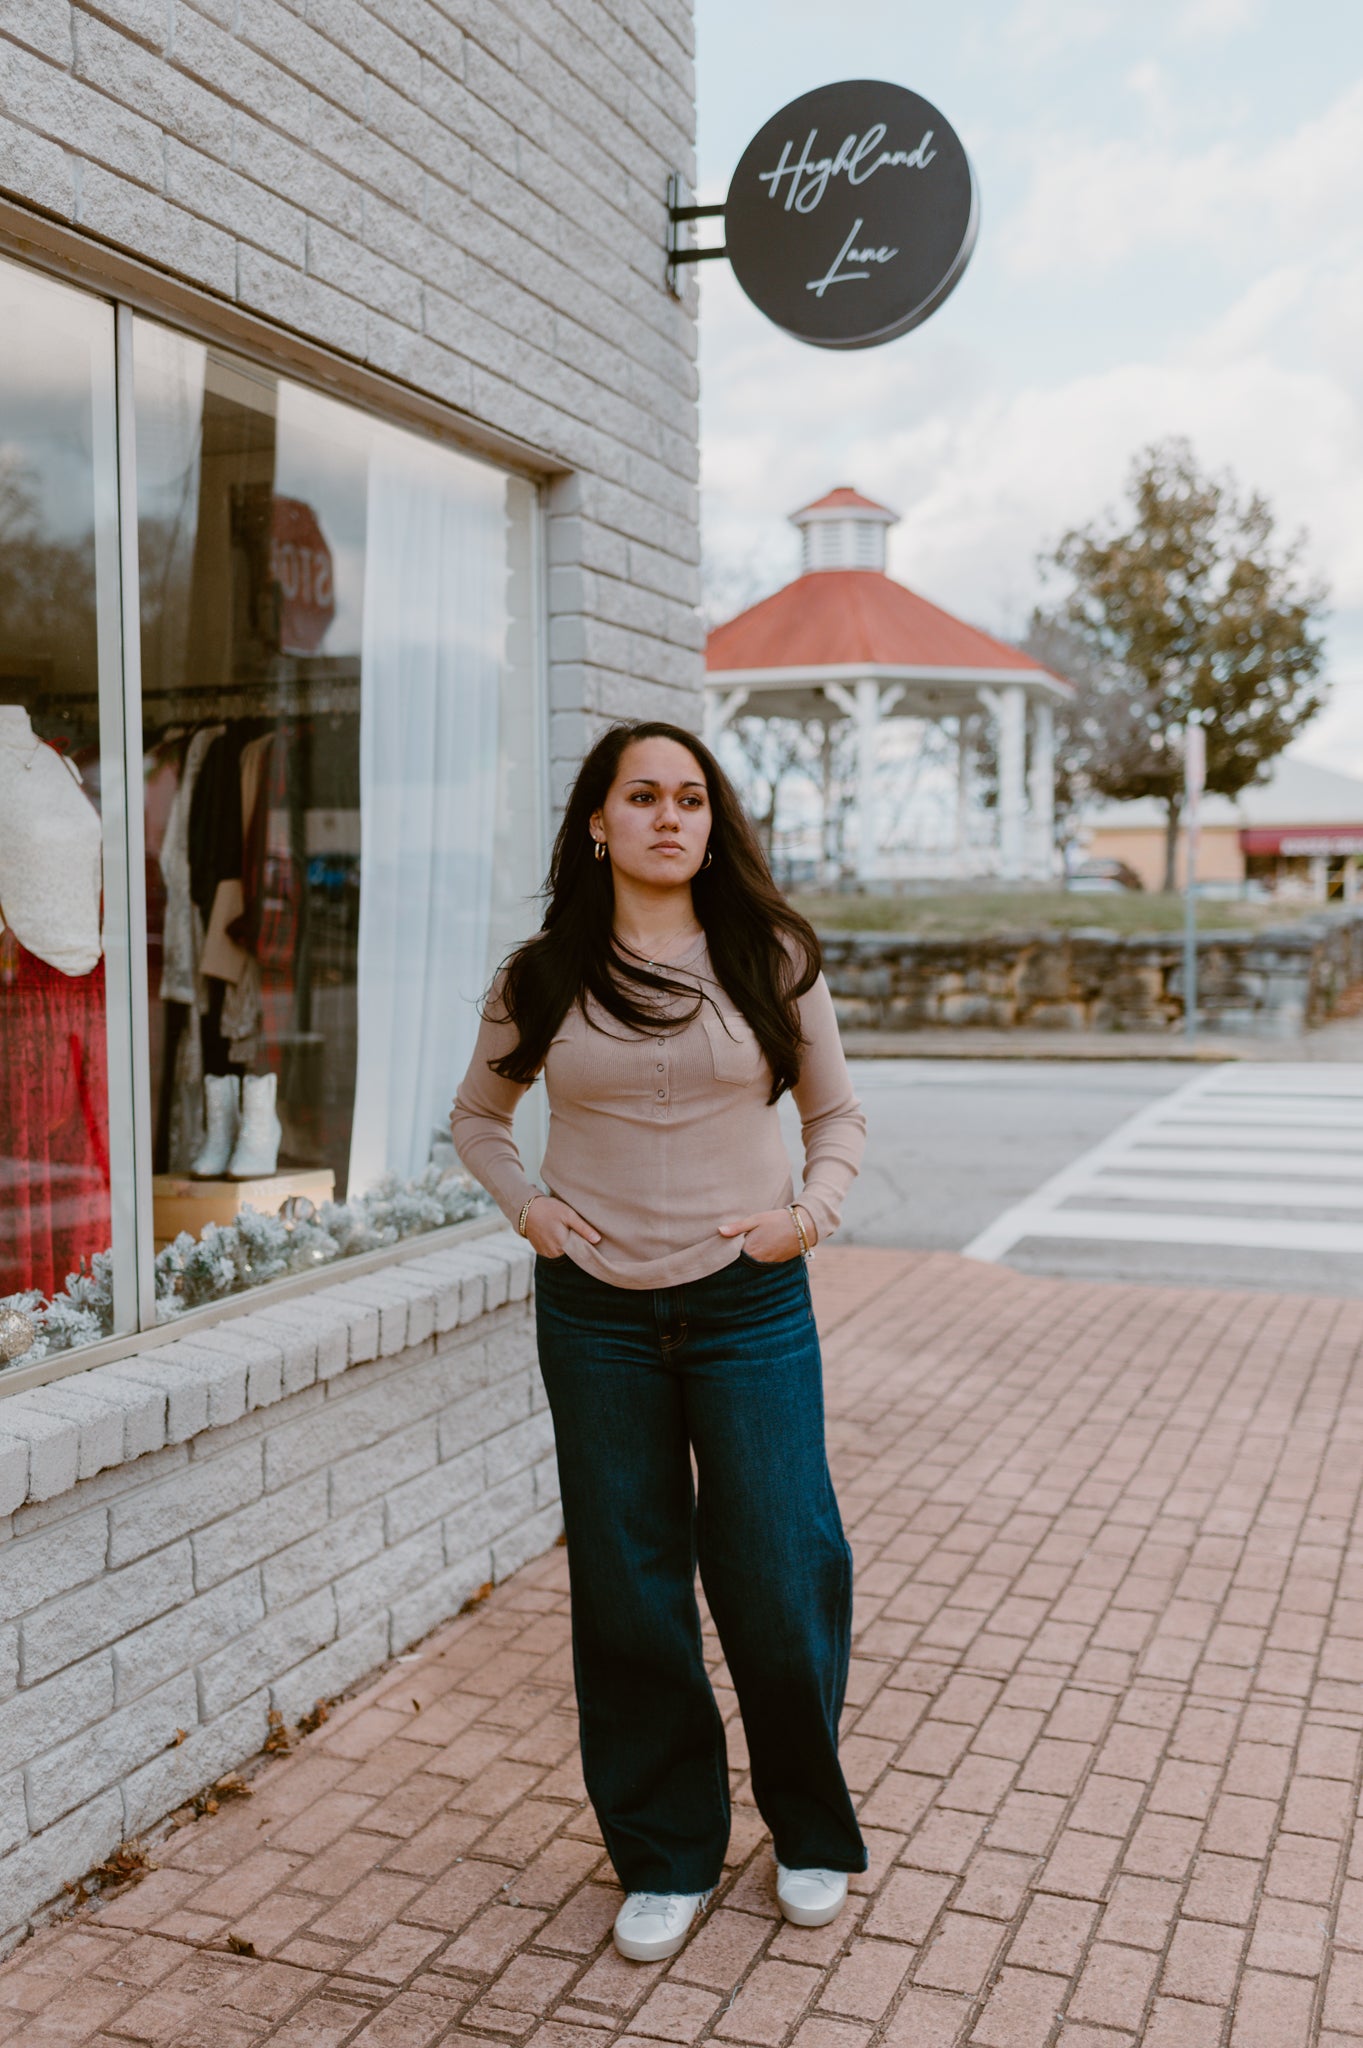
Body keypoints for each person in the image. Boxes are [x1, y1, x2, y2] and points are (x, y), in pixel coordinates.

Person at [451, 720, 868, 1962]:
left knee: (782, 1562)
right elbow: (479, 1116)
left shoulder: (767, 953)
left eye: (690, 797)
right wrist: (532, 1209)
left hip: (749, 1305)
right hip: (596, 1316)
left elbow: (836, 1114)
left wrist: (803, 1218)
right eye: (643, 796)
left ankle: (804, 1828)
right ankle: (667, 1850)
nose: (669, 816)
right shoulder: (542, 973)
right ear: (598, 821)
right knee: (628, 1580)